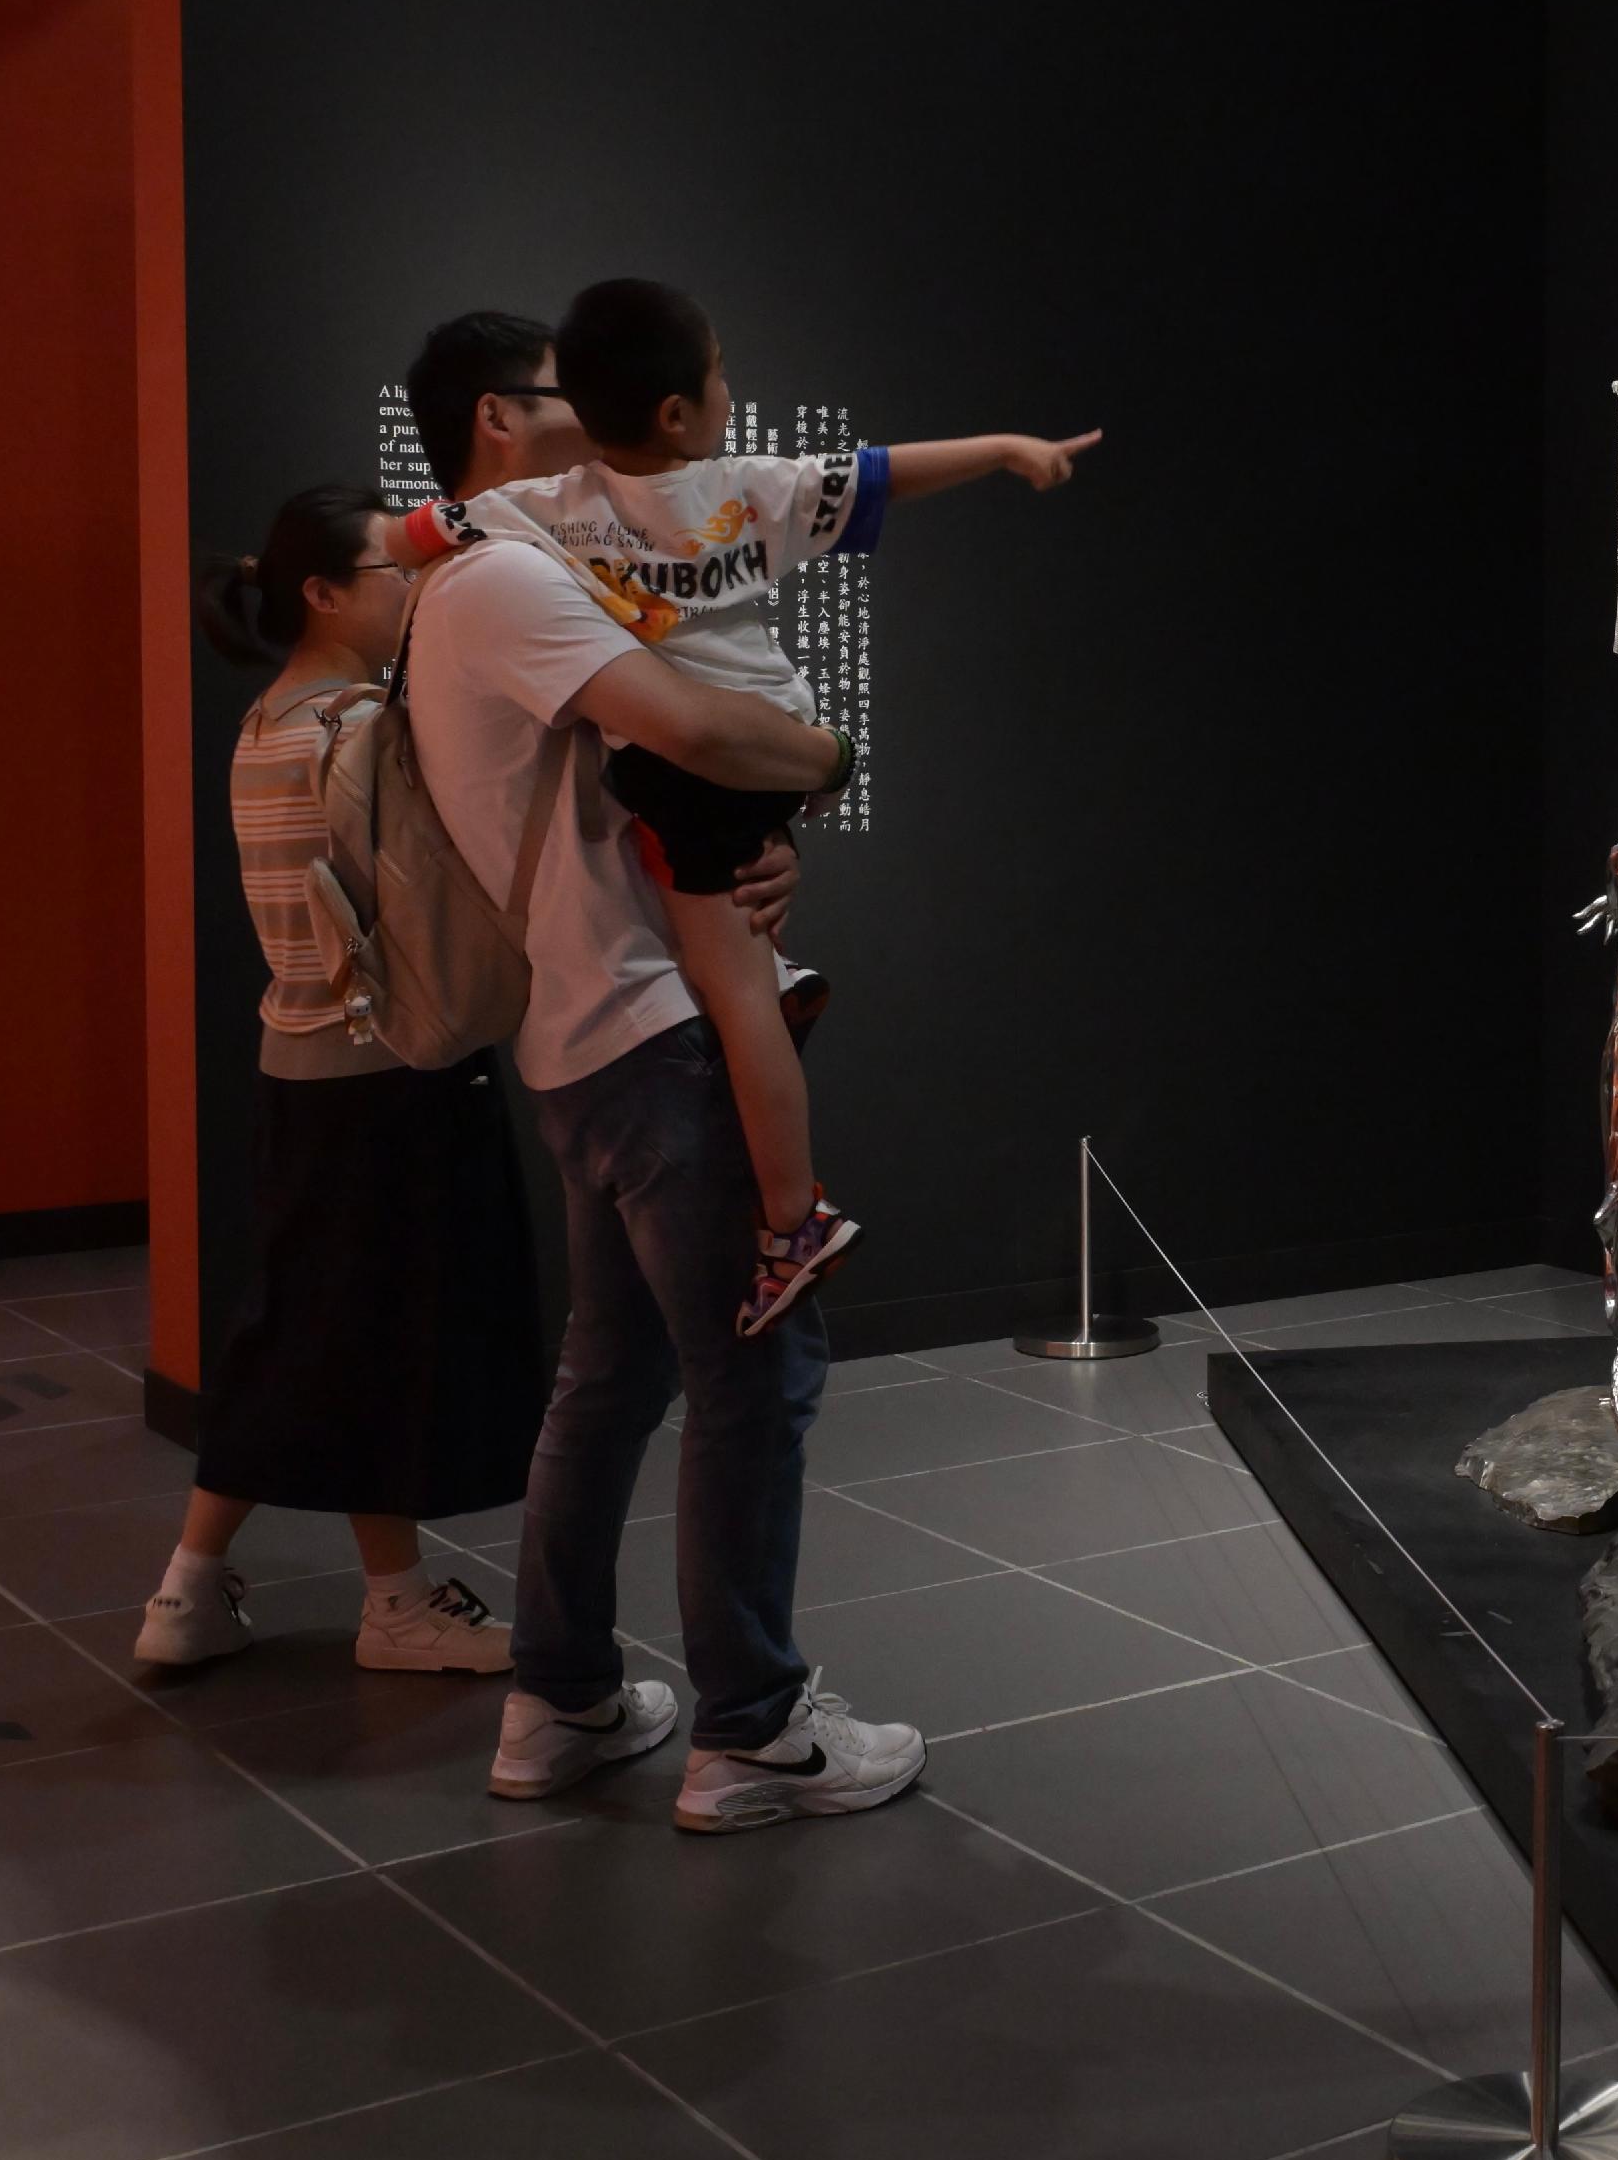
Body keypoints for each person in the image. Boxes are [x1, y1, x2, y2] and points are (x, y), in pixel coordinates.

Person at [396, 305, 928, 1830]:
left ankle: (558, 1699)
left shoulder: (491, 567)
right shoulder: (505, 579)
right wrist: (824, 762)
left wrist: (763, 849)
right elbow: (695, 724)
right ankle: (751, 1729)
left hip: (590, 1027)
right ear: (502, 421)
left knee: (612, 1378)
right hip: (649, 1031)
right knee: (755, 1376)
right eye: (557, 392)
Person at [390, 277, 1100, 1333]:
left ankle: (788, 1214)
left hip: (693, 778)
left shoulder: (533, 519)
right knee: (741, 987)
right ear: (680, 411)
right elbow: (879, 478)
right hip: (747, 746)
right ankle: (791, 1183)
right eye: (720, 371)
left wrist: (310, 566)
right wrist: (1004, 447)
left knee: (729, 988)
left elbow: (410, 533)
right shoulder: (744, 490)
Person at [133, 486, 542, 1674]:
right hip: (388, 1069)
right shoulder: (362, 726)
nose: (409, 588)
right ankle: (384, 1609)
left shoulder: (272, 720)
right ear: (322, 593)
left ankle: (195, 1592)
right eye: (388, 569)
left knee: (312, 1330)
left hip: (304, 1063)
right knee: (368, 1341)